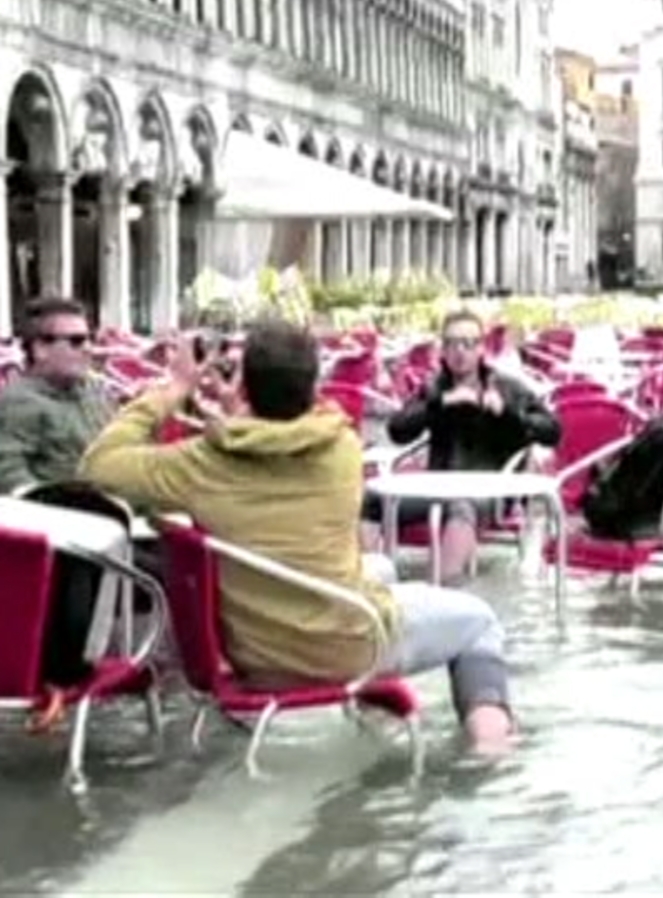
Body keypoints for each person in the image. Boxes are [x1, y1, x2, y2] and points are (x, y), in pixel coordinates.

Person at [79, 320, 515, 750]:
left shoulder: (200, 465)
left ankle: (374, 718)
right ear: (312, 385)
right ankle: (490, 748)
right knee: (479, 621)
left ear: (247, 387)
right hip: (345, 648)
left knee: (380, 568)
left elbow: (98, 465)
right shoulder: (340, 447)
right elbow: (297, 426)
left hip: (258, 656)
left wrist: (174, 388)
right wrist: (238, 409)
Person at [360, 309, 561, 582]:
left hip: (490, 490)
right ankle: (369, 582)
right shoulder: (434, 388)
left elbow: (552, 431)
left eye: (468, 343)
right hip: (437, 484)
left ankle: (443, 590)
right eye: (452, 343)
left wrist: (508, 412)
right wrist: (440, 404)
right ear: (443, 350)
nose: (460, 351)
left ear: (481, 348)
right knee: (370, 501)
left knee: (461, 506)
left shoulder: (506, 387)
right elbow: (398, 429)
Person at [0, 296, 114, 494]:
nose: (88, 349)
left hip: (125, 505)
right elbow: (10, 475)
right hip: (67, 515)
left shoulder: (96, 391)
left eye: (90, 338)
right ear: (40, 348)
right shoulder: (19, 403)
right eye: (76, 341)